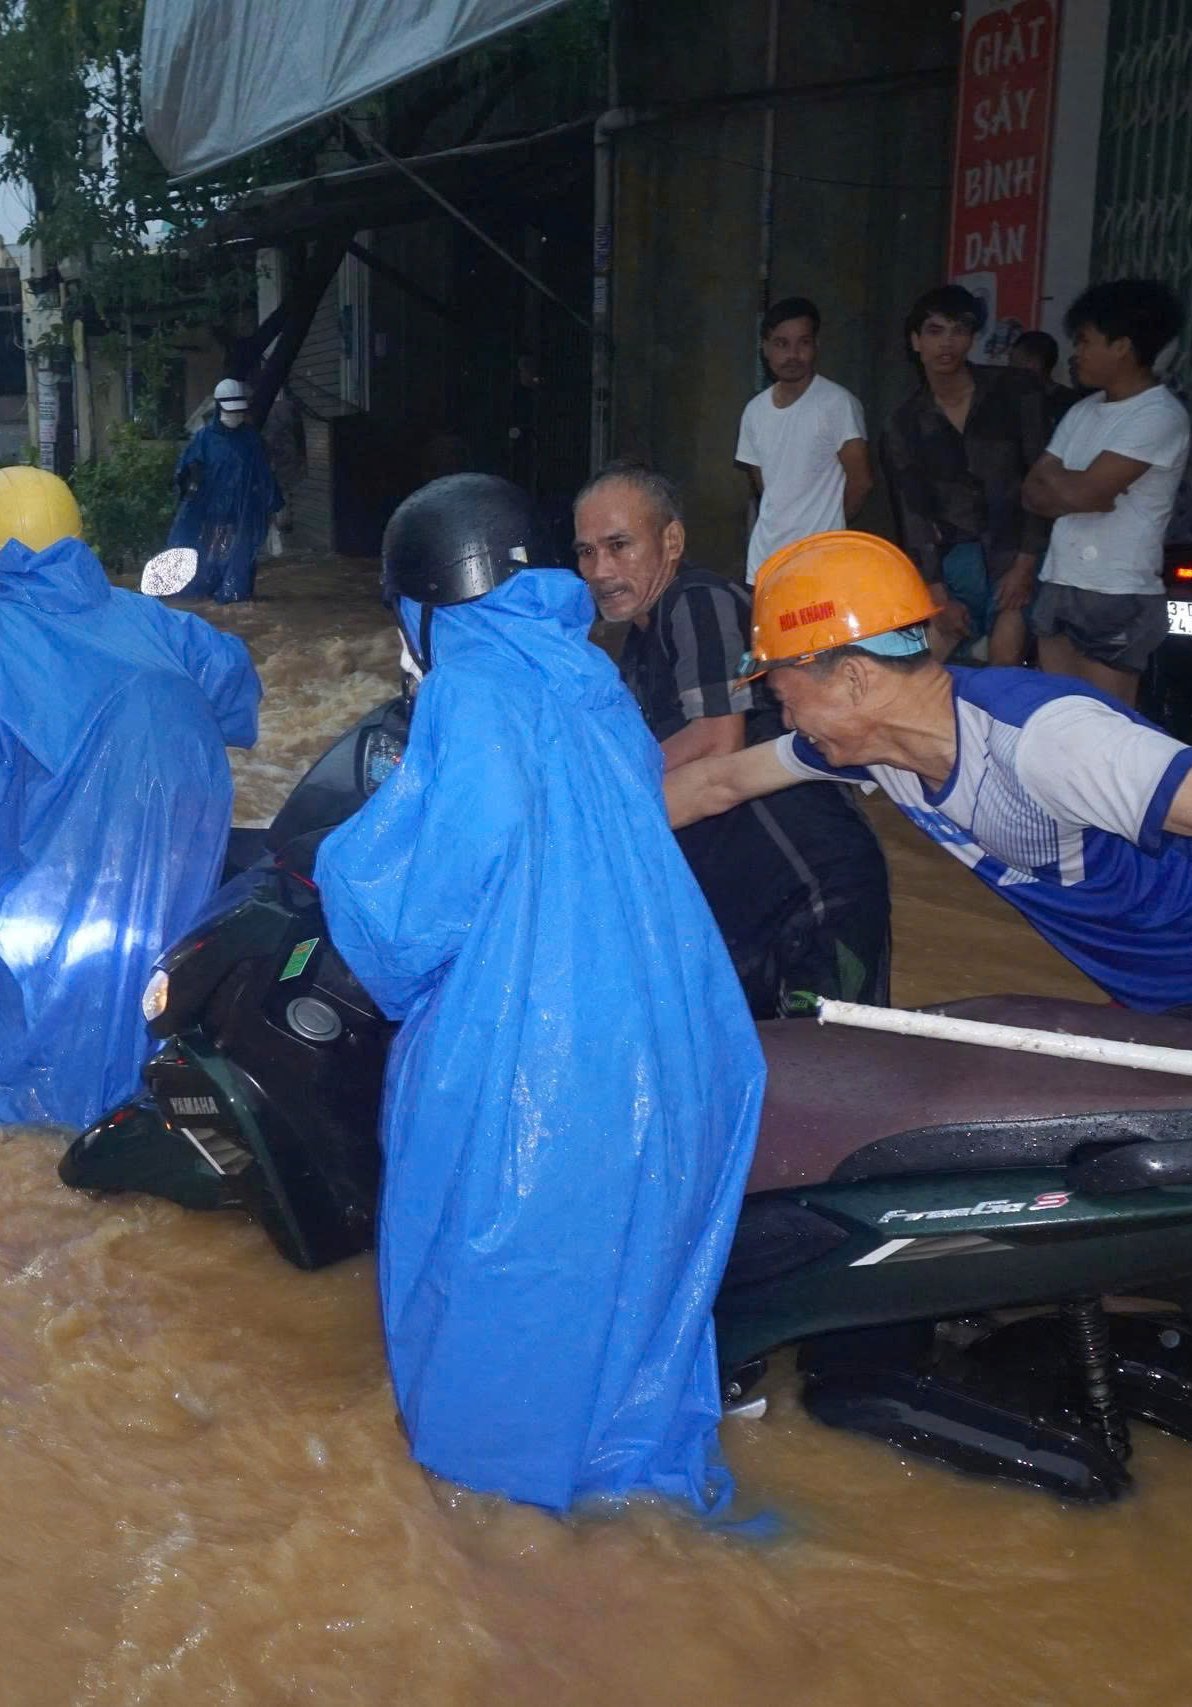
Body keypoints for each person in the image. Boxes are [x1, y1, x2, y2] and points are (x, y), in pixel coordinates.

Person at [668, 531, 1192, 1398]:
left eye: (782, 688)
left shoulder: (1048, 740)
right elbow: (714, 786)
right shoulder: (874, 748)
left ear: (851, 677)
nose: (783, 713)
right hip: (1187, 1026)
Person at [316, 473, 763, 1516]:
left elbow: (411, 916)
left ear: (423, 603)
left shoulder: (466, 688)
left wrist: (348, 860)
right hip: (677, 1036)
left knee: (497, 1363)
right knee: (628, 1339)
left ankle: (511, 1587)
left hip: (540, 1065)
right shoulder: (584, 671)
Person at [0, 466, 261, 1129]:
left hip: (74, 854)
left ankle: (66, 1124)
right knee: (153, 962)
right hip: (185, 841)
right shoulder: (150, 616)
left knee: (58, 987)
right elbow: (236, 686)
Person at [574, 463, 891, 1016]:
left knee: (838, 1076)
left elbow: (717, 741)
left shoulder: (696, 602)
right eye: (586, 552)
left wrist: (596, 792)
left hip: (813, 899)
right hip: (747, 912)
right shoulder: (639, 647)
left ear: (671, 540)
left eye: (619, 545)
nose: (601, 570)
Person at [1019, 278, 1192, 708]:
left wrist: (1069, 485)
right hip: (1060, 578)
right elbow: (1031, 491)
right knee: (1056, 716)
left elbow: (1084, 492)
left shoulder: (1159, 414)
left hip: (1116, 589)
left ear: (1122, 346)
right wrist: (1077, 488)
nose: (1076, 354)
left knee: (1106, 724)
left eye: (1085, 341)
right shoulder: (1083, 410)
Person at [878, 284, 1054, 666]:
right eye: (935, 331)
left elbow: (1041, 479)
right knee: (922, 678)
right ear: (915, 341)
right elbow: (913, 515)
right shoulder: (903, 423)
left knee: (1003, 673)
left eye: (958, 331)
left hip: (1014, 550)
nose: (947, 344)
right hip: (954, 559)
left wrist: (1026, 564)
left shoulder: (1015, 391)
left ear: (972, 338)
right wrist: (935, 591)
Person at [736, 296, 873, 581]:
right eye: (781, 344)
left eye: (803, 343)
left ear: (816, 346)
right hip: (765, 560)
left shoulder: (837, 404)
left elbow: (861, 482)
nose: (793, 355)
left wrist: (828, 530)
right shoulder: (754, 411)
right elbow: (764, 486)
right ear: (766, 348)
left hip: (821, 563)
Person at [167, 377, 284, 603]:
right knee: (208, 558)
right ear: (219, 407)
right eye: (231, 412)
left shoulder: (250, 439)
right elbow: (184, 472)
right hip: (211, 514)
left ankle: (234, 598)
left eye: (239, 412)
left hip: (243, 516)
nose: (235, 417)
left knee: (238, 566)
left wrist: (275, 509)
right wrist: (188, 484)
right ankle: (208, 593)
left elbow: (264, 475)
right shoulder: (204, 439)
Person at [1008, 329, 1085, 425]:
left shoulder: (1072, 405)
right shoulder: (1008, 399)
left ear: (1034, 363)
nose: (1009, 367)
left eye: (1013, 361)